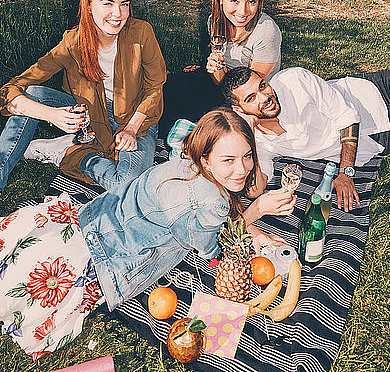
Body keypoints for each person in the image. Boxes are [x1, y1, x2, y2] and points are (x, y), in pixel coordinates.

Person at [0, 109, 288, 361]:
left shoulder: (184, 162)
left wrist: (248, 223)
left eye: (248, 156)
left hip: (87, 220)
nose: (242, 169)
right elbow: (211, 248)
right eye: (229, 160)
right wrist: (256, 212)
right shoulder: (213, 201)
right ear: (207, 158)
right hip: (108, 261)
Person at [0, 0, 167, 192]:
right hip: (89, 117)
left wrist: (131, 129)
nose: (118, 14)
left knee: (126, 183)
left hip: (136, 119)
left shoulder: (141, 32)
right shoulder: (72, 42)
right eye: (107, 3)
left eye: (124, 4)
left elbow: (155, 87)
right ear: (89, 5)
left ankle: (67, 153)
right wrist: (52, 115)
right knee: (32, 94)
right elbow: (11, 90)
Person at [221, 65, 390, 213]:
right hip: (382, 136)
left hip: (374, 88)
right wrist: (250, 133)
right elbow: (254, 190)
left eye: (262, 86)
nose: (265, 97)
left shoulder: (293, 80)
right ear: (239, 110)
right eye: (251, 98)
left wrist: (345, 173)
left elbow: (346, 116)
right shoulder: (259, 143)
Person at [158, 0, 282, 136]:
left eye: (251, 2)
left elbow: (249, 91)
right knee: (168, 88)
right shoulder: (215, 21)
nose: (243, 11)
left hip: (250, 96)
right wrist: (216, 67)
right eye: (235, 1)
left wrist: (217, 78)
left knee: (198, 116)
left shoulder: (266, 30)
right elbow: (220, 80)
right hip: (225, 83)